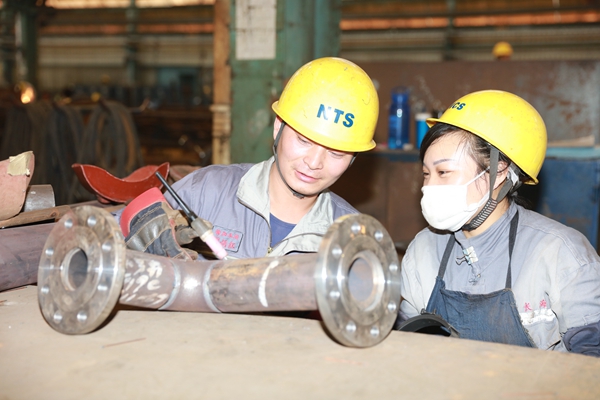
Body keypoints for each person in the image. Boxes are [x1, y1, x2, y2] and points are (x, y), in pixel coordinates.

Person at [397, 90, 600, 356]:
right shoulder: (423, 249)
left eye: (443, 172)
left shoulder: (561, 253)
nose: (429, 186)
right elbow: (406, 349)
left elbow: (591, 364)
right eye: (426, 173)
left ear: (499, 171)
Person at [120, 57, 379, 260]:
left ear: (353, 158)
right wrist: (135, 243)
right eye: (303, 141)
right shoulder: (207, 192)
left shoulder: (353, 239)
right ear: (278, 127)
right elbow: (108, 238)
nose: (314, 163)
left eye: (336, 153)